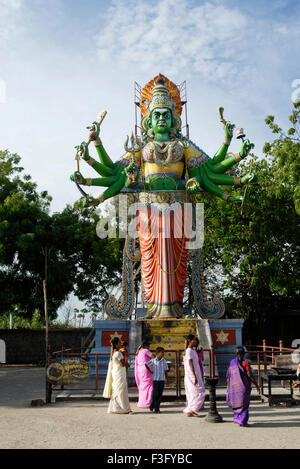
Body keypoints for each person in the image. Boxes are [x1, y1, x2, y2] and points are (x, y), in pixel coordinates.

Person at [226, 346, 260, 427]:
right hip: (244, 387)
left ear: (236, 353)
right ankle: (243, 421)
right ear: (244, 354)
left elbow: (229, 375)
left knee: (237, 404)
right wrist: (256, 385)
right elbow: (249, 375)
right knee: (244, 405)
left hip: (235, 388)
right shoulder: (246, 363)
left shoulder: (232, 363)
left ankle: (238, 419)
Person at [103, 337, 134, 414]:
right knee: (121, 390)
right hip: (119, 373)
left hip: (116, 372)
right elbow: (123, 364)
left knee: (117, 390)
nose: (121, 344)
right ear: (116, 344)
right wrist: (124, 356)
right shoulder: (118, 353)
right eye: (120, 343)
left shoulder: (113, 352)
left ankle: (116, 408)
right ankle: (125, 408)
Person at [183, 334, 206, 417]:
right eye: (194, 340)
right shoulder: (189, 351)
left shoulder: (191, 351)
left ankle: (191, 410)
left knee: (193, 392)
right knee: (198, 391)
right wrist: (194, 376)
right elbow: (190, 363)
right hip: (192, 375)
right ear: (190, 341)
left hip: (194, 374)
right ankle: (191, 409)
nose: (195, 341)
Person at [145, 347, 169, 413]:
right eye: (162, 352)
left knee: (160, 394)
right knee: (155, 394)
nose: (163, 354)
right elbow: (146, 364)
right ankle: (153, 405)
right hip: (155, 380)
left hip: (161, 380)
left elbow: (166, 370)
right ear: (158, 353)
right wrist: (150, 371)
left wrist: (167, 379)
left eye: (163, 352)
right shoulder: (153, 360)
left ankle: (156, 408)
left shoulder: (164, 361)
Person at [135, 341, 154, 408]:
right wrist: (151, 365)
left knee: (143, 386)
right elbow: (153, 357)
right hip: (146, 370)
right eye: (148, 346)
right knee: (149, 386)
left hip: (140, 370)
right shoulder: (146, 351)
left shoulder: (138, 352)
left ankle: (141, 403)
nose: (149, 348)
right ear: (146, 346)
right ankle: (148, 402)